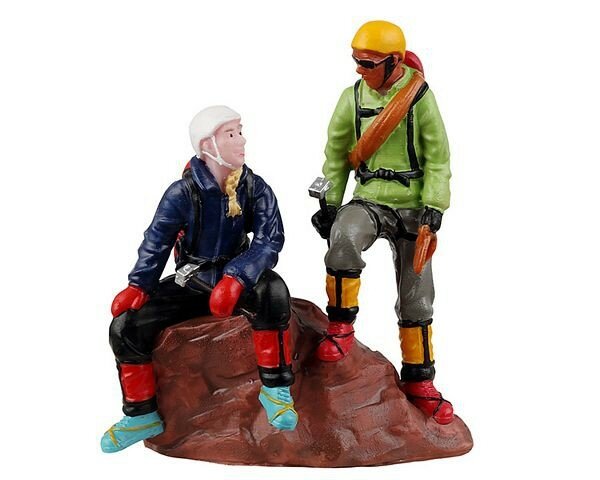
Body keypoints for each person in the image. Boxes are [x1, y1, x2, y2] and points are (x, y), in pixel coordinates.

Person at [101, 106, 298, 453]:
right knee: (126, 326)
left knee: (273, 292)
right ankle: (141, 415)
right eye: (231, 134)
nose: (242, 140)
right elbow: (157, 240)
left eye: (240, 131)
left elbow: (270, 240)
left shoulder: (255, 187)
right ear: (208, 145)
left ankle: (275, 391)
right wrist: (139, 284)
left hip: (238, 275)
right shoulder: (182, 192)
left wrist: (238, 276)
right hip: (192, 279)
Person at [311, 21, 454, 424]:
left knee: (417, 295)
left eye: (368, 63)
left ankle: (420, 380)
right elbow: (335, 154)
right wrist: (329, 203)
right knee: (343, 236)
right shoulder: (351, 98)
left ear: (393, 62)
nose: (360, 70)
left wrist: (434, 205)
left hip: (413, 206)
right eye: (356, 61)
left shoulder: (419, 98)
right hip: (370, 198)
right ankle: (340, 327)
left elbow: (438, 157)